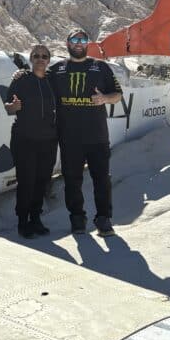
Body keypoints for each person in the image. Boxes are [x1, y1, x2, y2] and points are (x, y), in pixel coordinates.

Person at [50, 29, 122, 237]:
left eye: (82, 39)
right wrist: (21, 74)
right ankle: (77, 220)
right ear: (67, 43)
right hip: (69, 137)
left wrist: (105, 99)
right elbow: (38, 83)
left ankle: (104, 220)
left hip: (97, 136)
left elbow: (117, 95)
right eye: (74, 39)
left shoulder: (100, 67)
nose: (79, 43)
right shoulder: (57, 69)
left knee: (102, 179)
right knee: (72, 180)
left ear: (88, 43)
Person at [4, 44, 58, 239]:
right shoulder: (21, 80)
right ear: (31, 59)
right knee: (26, 181)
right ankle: (22, 222)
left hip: (48, 141)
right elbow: (8, 108)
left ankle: (36, 218)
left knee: (42, 181)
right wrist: (13, 106)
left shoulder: (53, 80)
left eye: (44, 56)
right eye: (36, 56)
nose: (40, 59)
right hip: (24, 140)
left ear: (49, 60)